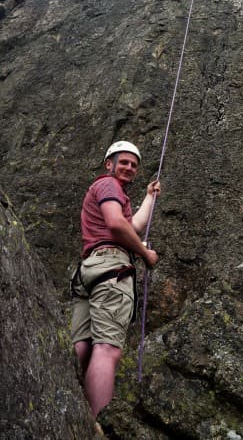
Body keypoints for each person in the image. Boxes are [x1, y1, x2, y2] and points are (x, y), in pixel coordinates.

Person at [70, 141, 160, 434]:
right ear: (108, 163)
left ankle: (67, 402)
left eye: (134, 164)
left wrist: (149, 197)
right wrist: (146, 255)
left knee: (82, 343)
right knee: (107, 348)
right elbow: (116, 226)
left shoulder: (113, 192)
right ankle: (97, 426)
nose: (130, 168)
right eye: (124, 162)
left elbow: (132, 226)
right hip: (111, 269)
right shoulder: (108, 185)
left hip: (89, 271)